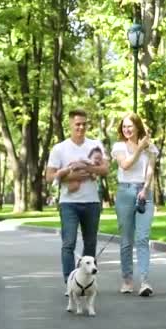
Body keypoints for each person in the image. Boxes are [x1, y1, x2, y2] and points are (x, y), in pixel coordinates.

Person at [46, 109, 109, 288]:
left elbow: (104, 170)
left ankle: (87, 283)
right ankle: (69, 282)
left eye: (84, 124)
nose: (81, 127)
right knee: (69, 243)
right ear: (70, 125)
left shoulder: (95, 145)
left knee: (90, 243)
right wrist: (74, 177)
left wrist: (87, 169)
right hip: (69, 204)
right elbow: (50, 176)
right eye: (77, 124)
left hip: (91, 203)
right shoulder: (60, 148)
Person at [111, 113, 159, 297]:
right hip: (125, 192)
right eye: (124, 127)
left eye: (130, 126)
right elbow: (125, 165)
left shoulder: (151, 148)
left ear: (138, 127)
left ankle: (145, 281)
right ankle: (127, 280)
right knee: (126, 240)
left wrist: (146, 188)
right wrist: (139, 149)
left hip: (143, 193)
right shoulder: (119, 146)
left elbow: (150, 170)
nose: (127, 130)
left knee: (142, 238)